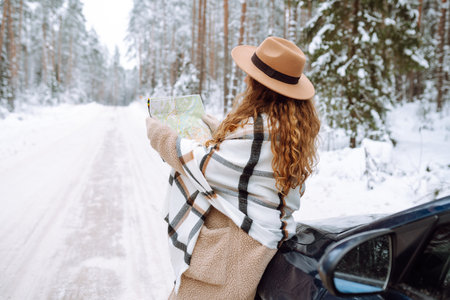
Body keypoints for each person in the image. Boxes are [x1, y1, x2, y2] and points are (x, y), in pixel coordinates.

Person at [146, 36, 320, 299]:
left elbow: (206, 166)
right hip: (246, 251)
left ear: (258, 83)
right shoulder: (284, 128)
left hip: (233, 257)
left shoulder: (263, 132)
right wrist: (210, 123)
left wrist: (160, 135)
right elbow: (241, 159)